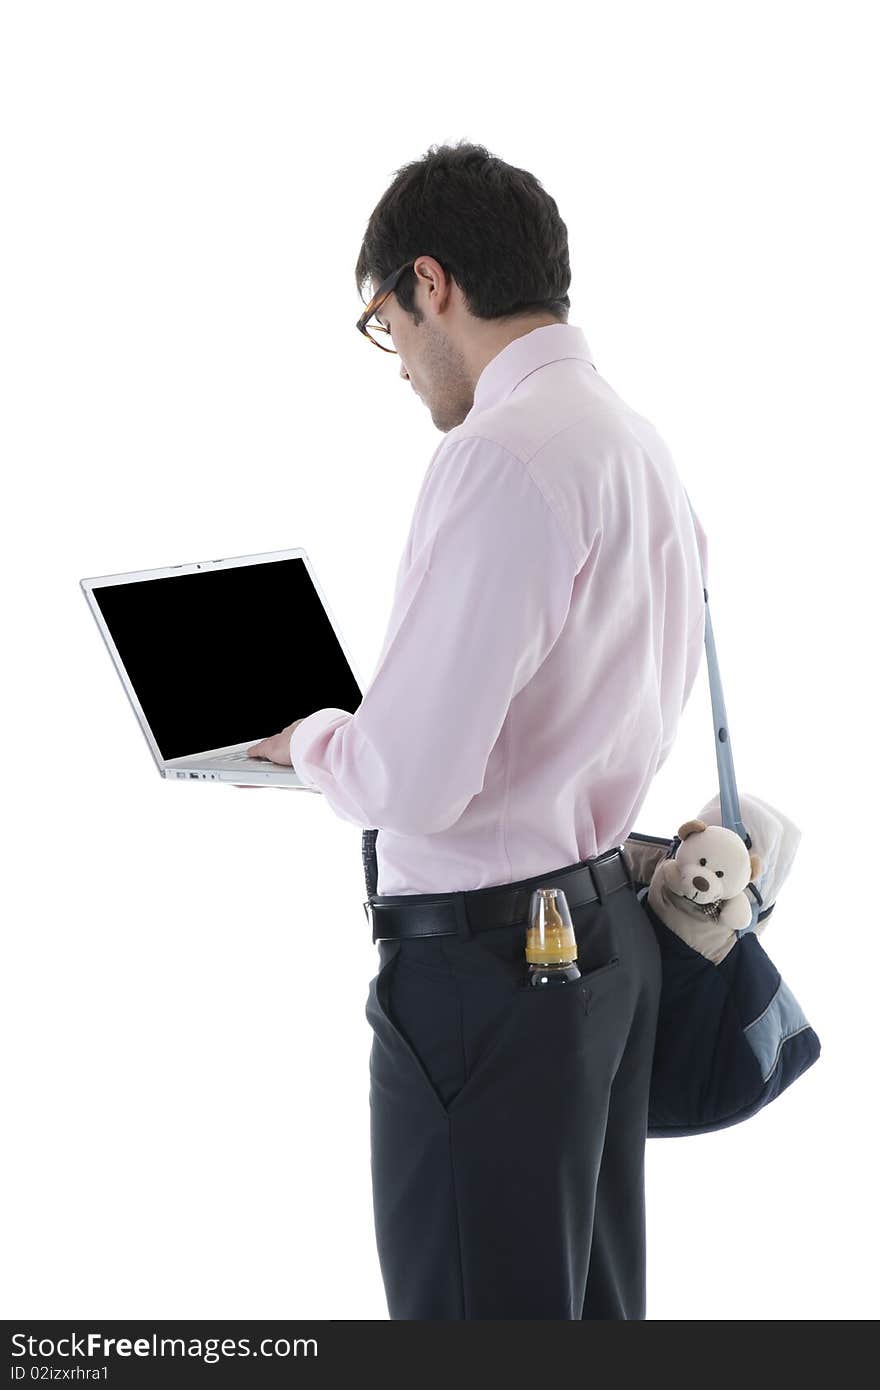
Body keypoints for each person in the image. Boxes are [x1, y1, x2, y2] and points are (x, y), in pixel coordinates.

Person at [243, 140, 709, 1319]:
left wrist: (310, 742)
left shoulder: (500, 455)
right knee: (581, 1311)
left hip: (486, 977)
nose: (395, 360)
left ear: (429, 283)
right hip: (599, 943)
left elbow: (416, 777)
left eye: (384, 320)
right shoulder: (632, 438)